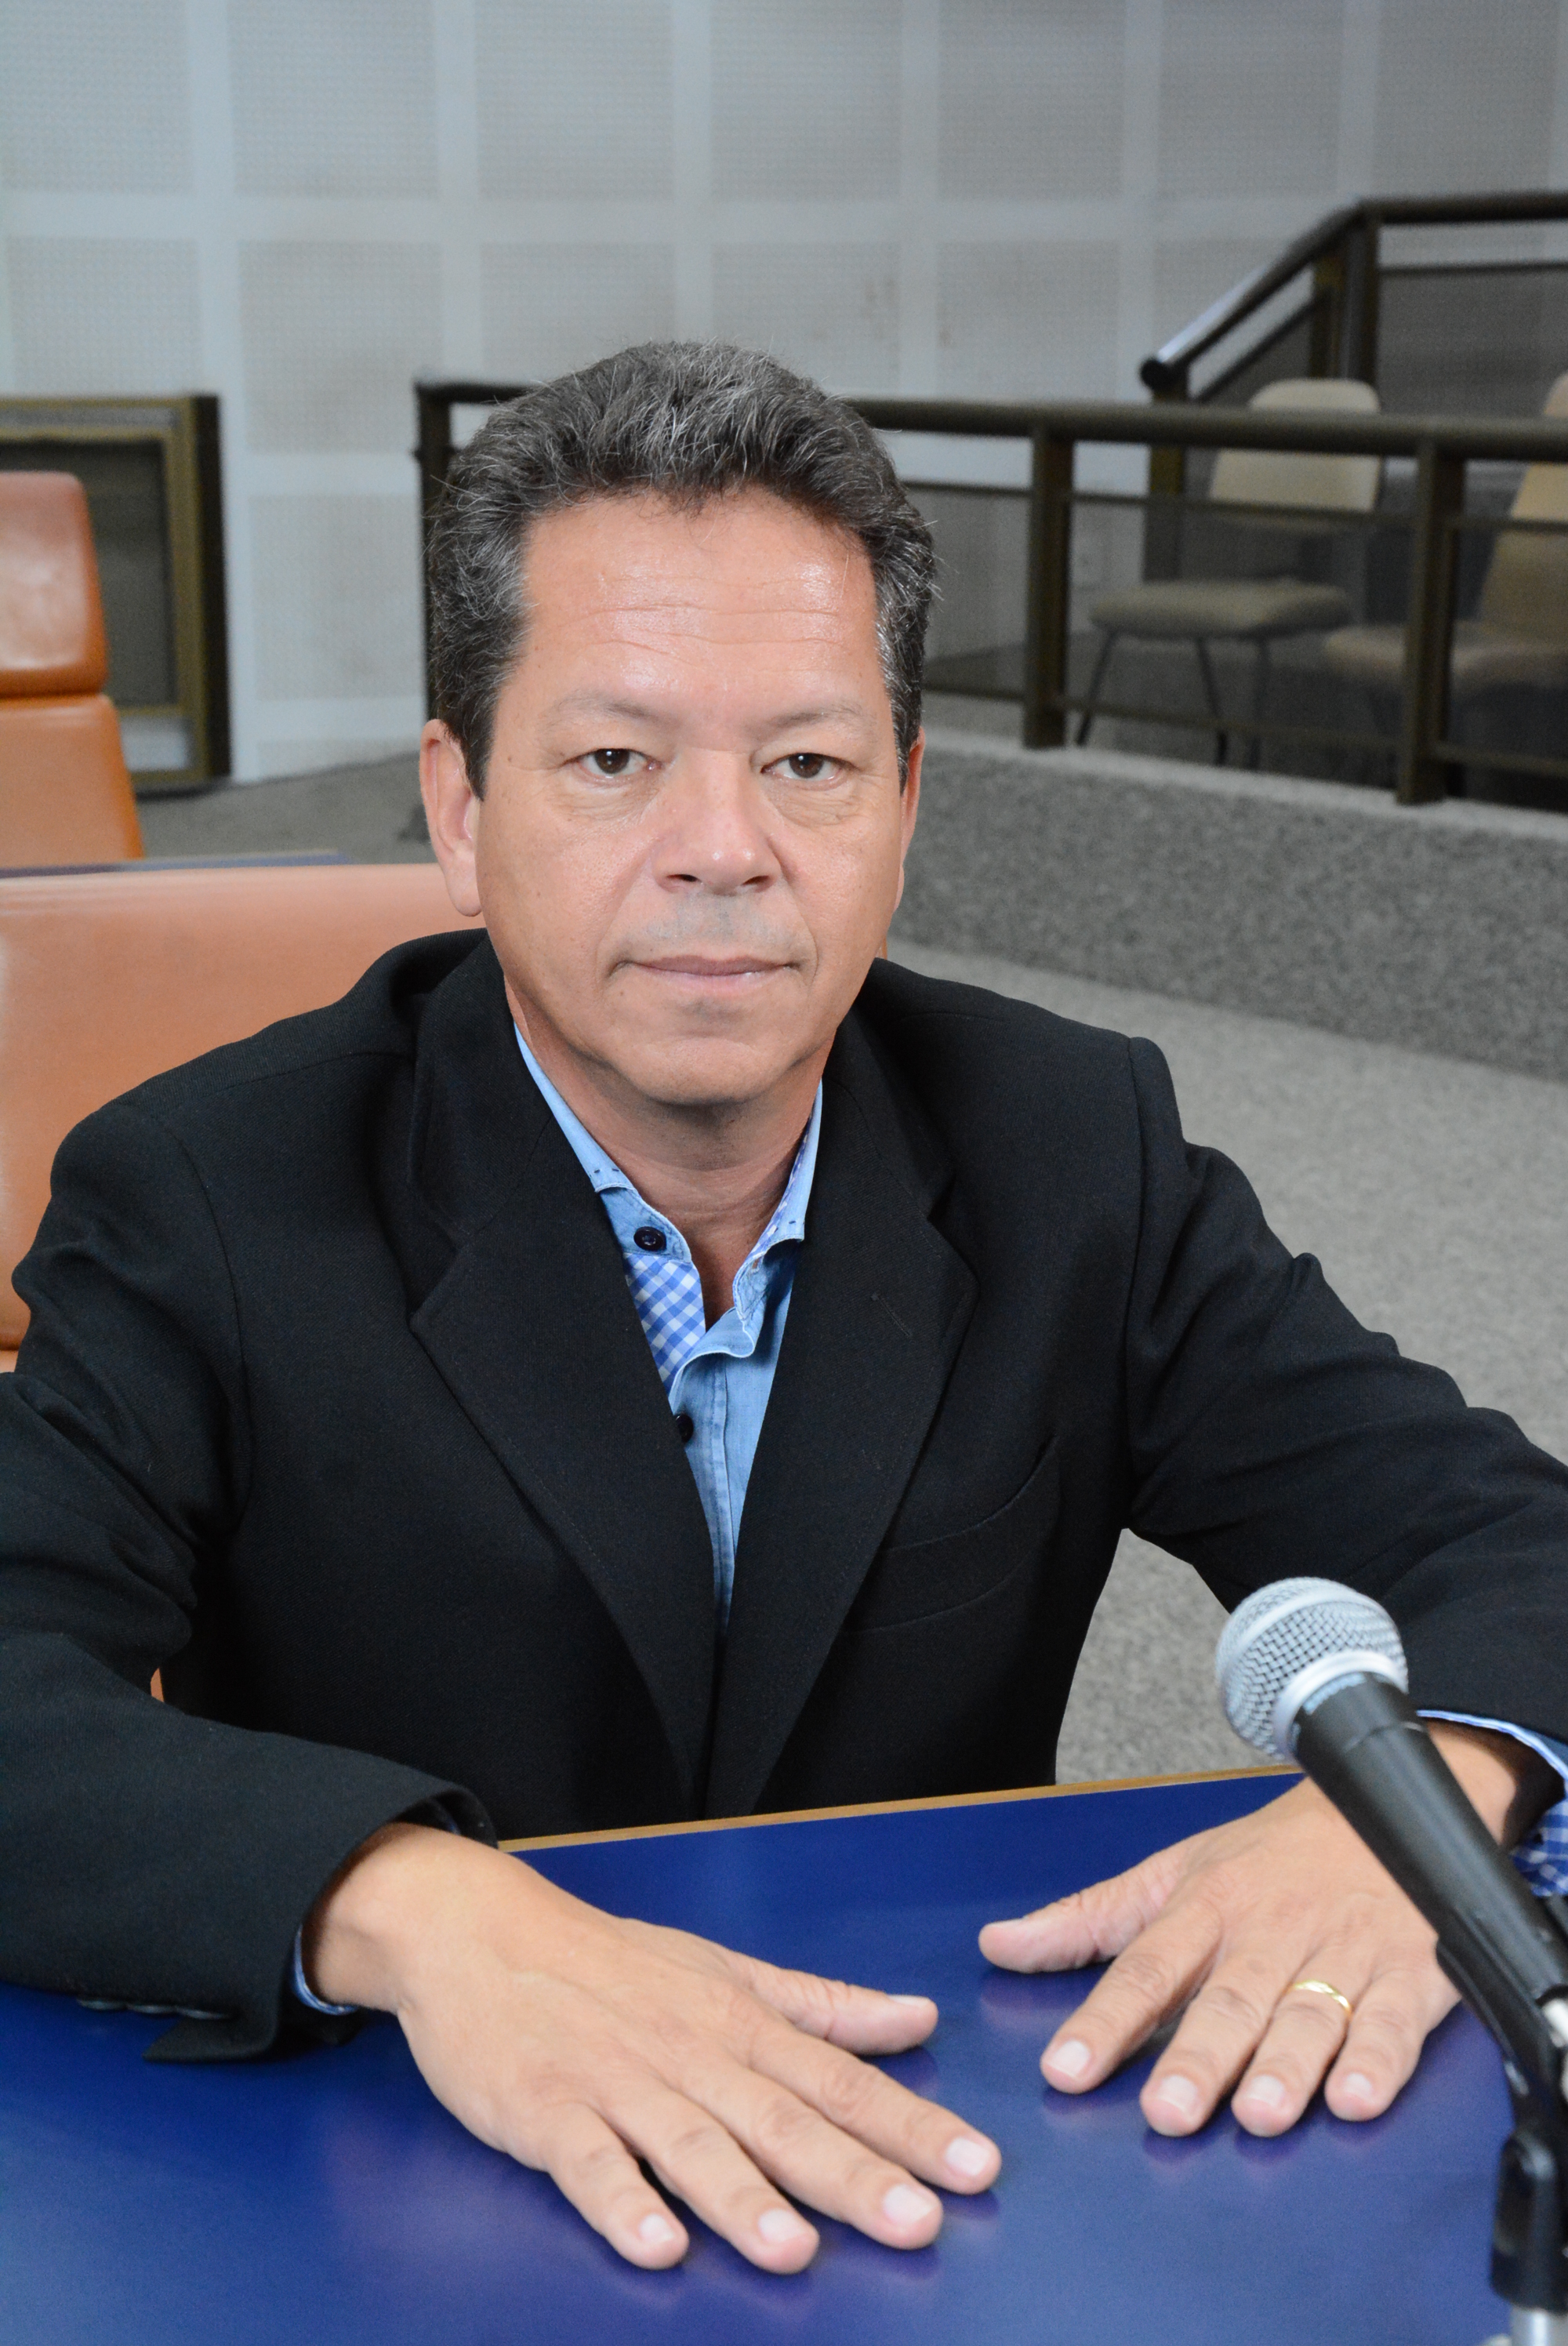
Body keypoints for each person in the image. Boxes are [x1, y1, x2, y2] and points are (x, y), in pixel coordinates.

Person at [3, 343, 1567, 2279]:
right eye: (613, 760)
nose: (724, 847)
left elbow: (1504, 1533)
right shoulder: (212, 1190)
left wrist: (1423, 1811)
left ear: (904, 803)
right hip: (389, 2167)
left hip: (941, 2153)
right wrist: (413, 1907)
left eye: (808, 763)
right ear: (459, 804)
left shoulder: (1069, 1143)